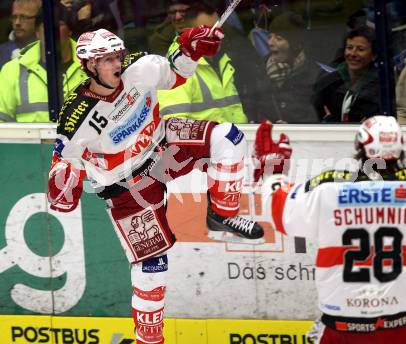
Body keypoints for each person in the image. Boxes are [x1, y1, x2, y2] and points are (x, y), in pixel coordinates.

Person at [47, 27, 264, 344]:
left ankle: (223, 213)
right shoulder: (76, 116)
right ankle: (148, 339)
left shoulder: (140, 68)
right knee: (152, 265)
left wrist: (190, 50)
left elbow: (176, 74)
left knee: (229, 136)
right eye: (107, 60)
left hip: (164, 148)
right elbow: (62, 184)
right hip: (127, 186)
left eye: (117, 56)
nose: (116, 64)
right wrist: (64, 179)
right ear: (89, 66)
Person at [254, 117, 406, 343]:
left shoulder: (327, 190)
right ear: (400, 149)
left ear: (359, 148)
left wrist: (273, 169)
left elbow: (279, 212)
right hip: (405, 327)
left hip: (340, 330)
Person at [158, 0, 272, 124]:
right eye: (207, 31)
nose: (217, 36)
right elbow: (173, 128)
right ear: (188, 32)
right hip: (208, 143)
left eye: (218, 29)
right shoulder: (175, 69)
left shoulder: (224, 60)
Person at [0, 8, 87, 122]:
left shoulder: (93, 65)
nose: (52, 30)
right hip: (28, 139)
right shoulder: (11, 70)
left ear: (70, 31)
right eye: (45, 26)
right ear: (36, 32)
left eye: (59, 25)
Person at [312, 26, 380, 123]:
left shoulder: (382, 87)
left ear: (374, 55)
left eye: (360, 49)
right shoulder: (328, 82)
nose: (353, 53)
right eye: (349, 48)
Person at [265, 12, 318, 123]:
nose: (270, 42)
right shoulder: (259, 71)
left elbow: (315, 118)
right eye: (269, 37)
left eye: (278, 38)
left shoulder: (313, 76)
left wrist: (291, 127)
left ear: (295, 45)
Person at [0, 0, 41, 69]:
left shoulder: (46, 51)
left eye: (24, 17)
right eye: (14, 17)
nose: (17, 23)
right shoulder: (1, 52)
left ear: (38, 20)